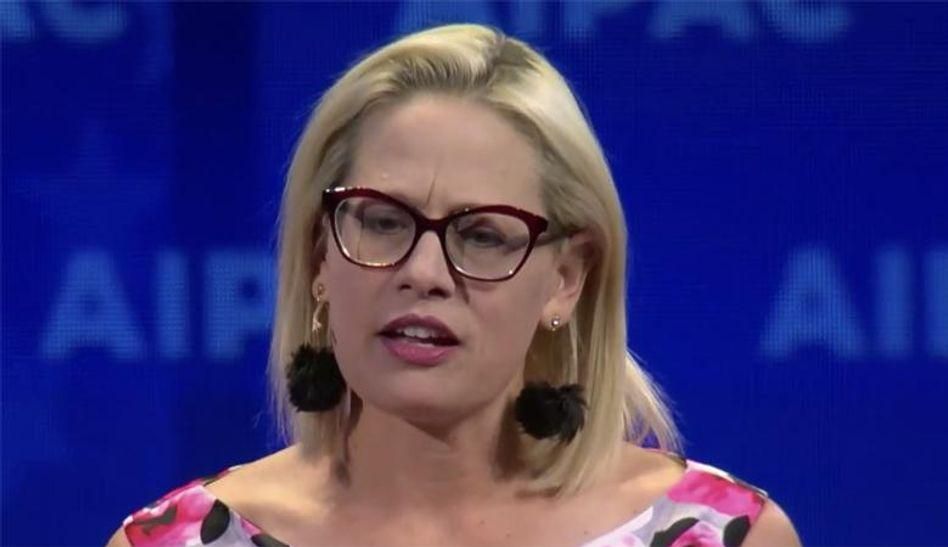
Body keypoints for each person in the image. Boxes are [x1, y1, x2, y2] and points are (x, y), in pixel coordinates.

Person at [108, 24, 801, 547]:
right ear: (320, 257)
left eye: (483, 235)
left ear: (565, 279)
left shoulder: (719, 536)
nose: (423, 272)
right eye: (383, 222)